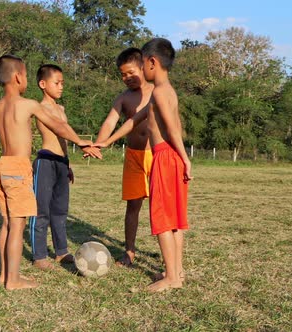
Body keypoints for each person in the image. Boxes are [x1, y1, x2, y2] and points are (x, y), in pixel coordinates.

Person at [0, 55, 99, 290]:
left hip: (2, 166)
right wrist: (81, 141)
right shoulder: (28, 104)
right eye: (25, 75)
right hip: (17, 168)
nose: (26, 79)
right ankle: (14, 280)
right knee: (18, 225)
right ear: (17, 77)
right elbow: (58, 126)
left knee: (6, 223)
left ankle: (5, 275)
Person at [95, 38, 193, 292]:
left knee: (161, 218)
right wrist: (105, 142)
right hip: (168, 157)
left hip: (164, 156)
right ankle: (176, 271)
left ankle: (171, 277)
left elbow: (173, 128)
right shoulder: (166, 91)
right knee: (174, 219)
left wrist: (184, 157)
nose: (128, 77)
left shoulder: (159, 92)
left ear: (150, 63)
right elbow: (132, 122)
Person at [30, 64, 98, 270]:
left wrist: (68, 163)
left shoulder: (61, 109)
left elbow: (64, 136)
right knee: (41, 211)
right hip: (46, 161)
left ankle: (61, 252)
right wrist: (82, 142)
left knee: (60, 211)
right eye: (56, 83)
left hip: (61, 164)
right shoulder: (39, 108)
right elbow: (58, 129)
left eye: (63, 83)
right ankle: (39, 256)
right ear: (43, 84)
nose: (61, 87)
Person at [94, 48, 154, 267]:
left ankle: (167, 254)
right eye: (122, 74)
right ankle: (129, 251)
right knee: (133, 206)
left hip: (156, 156)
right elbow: (110, 121)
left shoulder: (158, 91)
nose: (126, 78)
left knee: (158, 206)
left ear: (144, 67)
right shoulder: (124, 98)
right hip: (133, 157)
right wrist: (99, 144)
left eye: (130, 72)